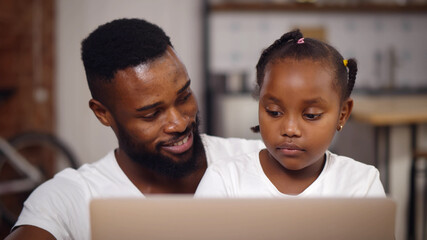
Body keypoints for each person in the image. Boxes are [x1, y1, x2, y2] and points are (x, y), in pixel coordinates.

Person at [5, 18, 264, 240]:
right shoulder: (71, 197)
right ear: (102, 113)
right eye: (152, 114)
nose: (180, 122)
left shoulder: (258, 161)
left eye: (184, 96)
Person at [195, 29, 385, 198]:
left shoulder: (361, 185)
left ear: (342, 114)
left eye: (311, 115)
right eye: (274, 112)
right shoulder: (225, 180)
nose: (290, 129)